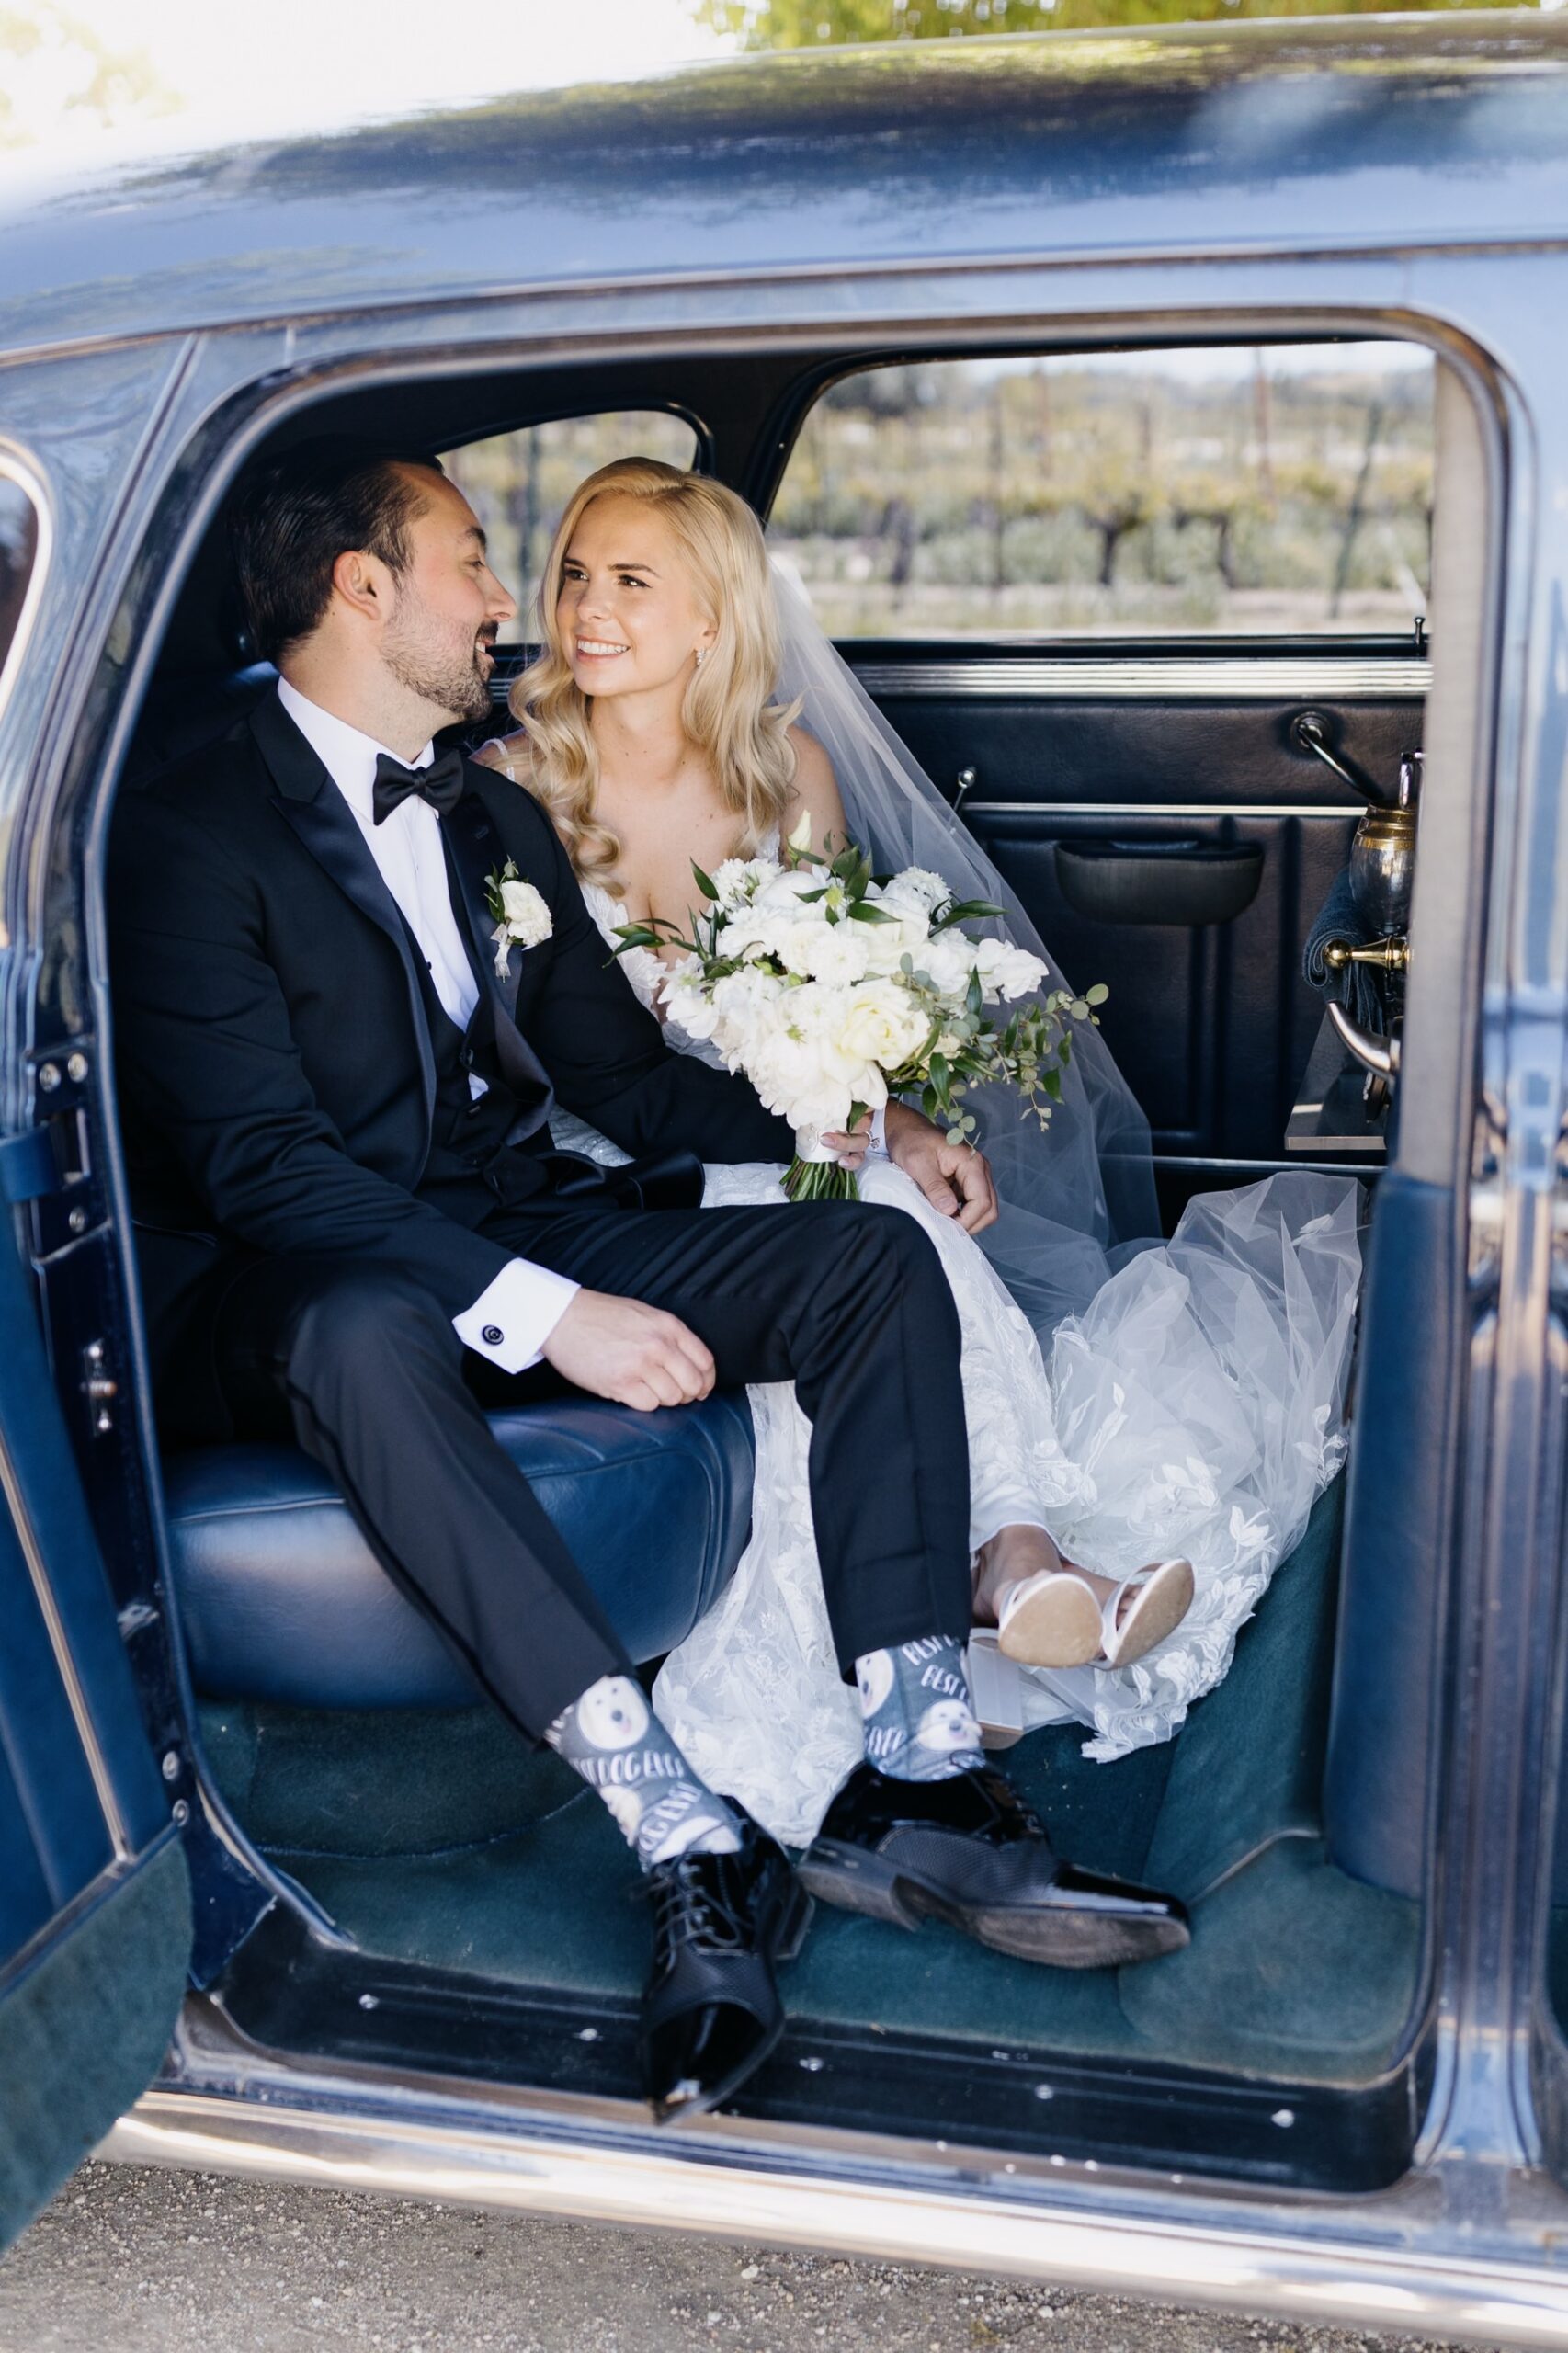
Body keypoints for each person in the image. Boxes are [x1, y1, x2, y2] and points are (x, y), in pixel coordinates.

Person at [108, 440, 1188, 2130]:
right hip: (278, 1278)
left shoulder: (485, 805)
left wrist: (867, 1128)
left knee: (867, 1263)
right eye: (473, 561)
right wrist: (554, 1318)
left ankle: (915, 1767)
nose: (501, 600)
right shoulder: (189, 829)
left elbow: (626, 1080)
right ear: (362, 588)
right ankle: (671, 1824)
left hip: (518, 1208)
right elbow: (265, 1172)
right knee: (359, 1321)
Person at [477, 459, 1362, 1840]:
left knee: (890, 1195)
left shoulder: (787, 773)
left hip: (779, 1133)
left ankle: (1009, 1555)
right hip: (608, 1164)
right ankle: (1008, 1564)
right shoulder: (513, 789)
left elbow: (833, 1020)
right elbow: (555, 1064)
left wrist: (885, 1111)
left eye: (631, 582)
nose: (587, 610)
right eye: (574, 575)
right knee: (862, 1215)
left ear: (713, 615)